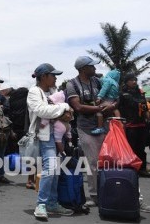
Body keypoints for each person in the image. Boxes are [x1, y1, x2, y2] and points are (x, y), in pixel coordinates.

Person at [65, 56, 113, 208]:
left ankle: (108, 190)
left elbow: (112, 98)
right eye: (91, 66)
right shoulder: (72, 84)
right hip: (86, 128)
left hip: (103, 125)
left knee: (107, 161)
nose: (95, 68)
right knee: (93, 162)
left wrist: (110, 105)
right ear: (83, 69)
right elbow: (78, 107)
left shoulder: (98, 81)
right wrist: (100, 108)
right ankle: (94, 195)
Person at [28, 63, 73, 220]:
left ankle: (52, 203)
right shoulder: (34, 92)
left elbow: (68, 115)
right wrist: (64, 107)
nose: (55, 78)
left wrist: (65, 112)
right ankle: (41, 204)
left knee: (55, 171)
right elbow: (41, 110)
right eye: (53, 75)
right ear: (44, 77)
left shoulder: (54, 91)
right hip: (43, 136)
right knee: (51, 168)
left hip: (56, 135)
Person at [118, 73, 150, 177]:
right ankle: (130, 170)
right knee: (131, 148)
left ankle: (142, 169)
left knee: (141, 149)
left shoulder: (140, 93)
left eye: (135, 79)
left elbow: (145, 108)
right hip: (130, 126)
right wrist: (121, 122)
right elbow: (117, 108)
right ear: (126, 82)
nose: (134, 81)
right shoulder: (122, 94)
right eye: (131, 80)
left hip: (142, 125)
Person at [39, 91, 73, 155]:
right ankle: (70, 144)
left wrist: (41, 125)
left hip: (59, 125)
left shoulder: (51, 106)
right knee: (68, 134)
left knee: (58, 140)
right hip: (67, 125)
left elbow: (46, 118)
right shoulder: (65, 106)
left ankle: (62, 152)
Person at [92, 69, 121, 134]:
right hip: (113, 100)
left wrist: (99, 97)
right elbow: (117, 94)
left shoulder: (107, 80)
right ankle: (119, 122)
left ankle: (100, 128)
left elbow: (104, 89)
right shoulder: (116, 83)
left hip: (107, 100)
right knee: (115, 110)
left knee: (99, 111)